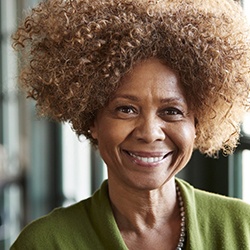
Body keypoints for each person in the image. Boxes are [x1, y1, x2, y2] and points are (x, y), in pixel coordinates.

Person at [11, 0, 250, 249]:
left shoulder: (243, 229)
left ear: (197, 122)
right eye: (126, 109)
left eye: (171, 111)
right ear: (92, 119)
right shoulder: (45, 243)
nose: (149, 133)